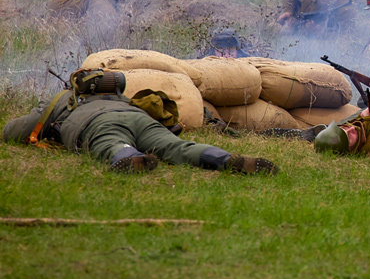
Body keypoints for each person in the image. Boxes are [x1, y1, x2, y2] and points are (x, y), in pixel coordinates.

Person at [2, 70, 277, 175]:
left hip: (97, 125)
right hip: (141, 121)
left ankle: (130, 158)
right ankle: (226, 159)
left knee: (112, 144)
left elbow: (15, 131)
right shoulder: (127, 101)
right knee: (176, 147)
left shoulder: (65, 101)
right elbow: (171, 128)